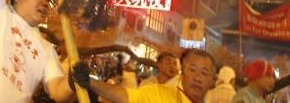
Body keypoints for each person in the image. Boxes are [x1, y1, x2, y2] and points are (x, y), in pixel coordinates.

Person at [73, 48, 216, 103]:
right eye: (192, 70)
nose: (198, 77)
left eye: (204, 73)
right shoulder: (159, 94)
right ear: (183, 72)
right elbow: (126, 96)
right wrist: (91, 83)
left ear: (212, 81)